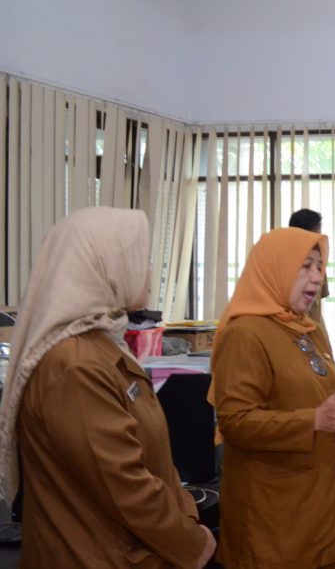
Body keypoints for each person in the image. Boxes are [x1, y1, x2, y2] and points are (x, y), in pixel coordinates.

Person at [0, 207, 215, 567]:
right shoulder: (75, 365)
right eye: (140, 259)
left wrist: (185, 513)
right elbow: (124, 484)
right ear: (105, 266)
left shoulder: (101, 345)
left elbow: (149, 459)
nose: (148, 271)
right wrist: (192, 542)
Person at [210, 227, 335, 569]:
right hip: (274, 526)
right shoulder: (244, 334)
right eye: (305, 266)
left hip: (323, 516)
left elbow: (325, 403)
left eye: (320, 267)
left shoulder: (308, 329)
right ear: (277, 267)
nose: (317, 278)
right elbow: (235, 423)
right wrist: (313, 421)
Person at [288, 208, 331, 331]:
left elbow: (318, 302)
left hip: (315, 329)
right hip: (292, 331)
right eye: (313, 236)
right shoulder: (282, 265)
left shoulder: (319, 262)